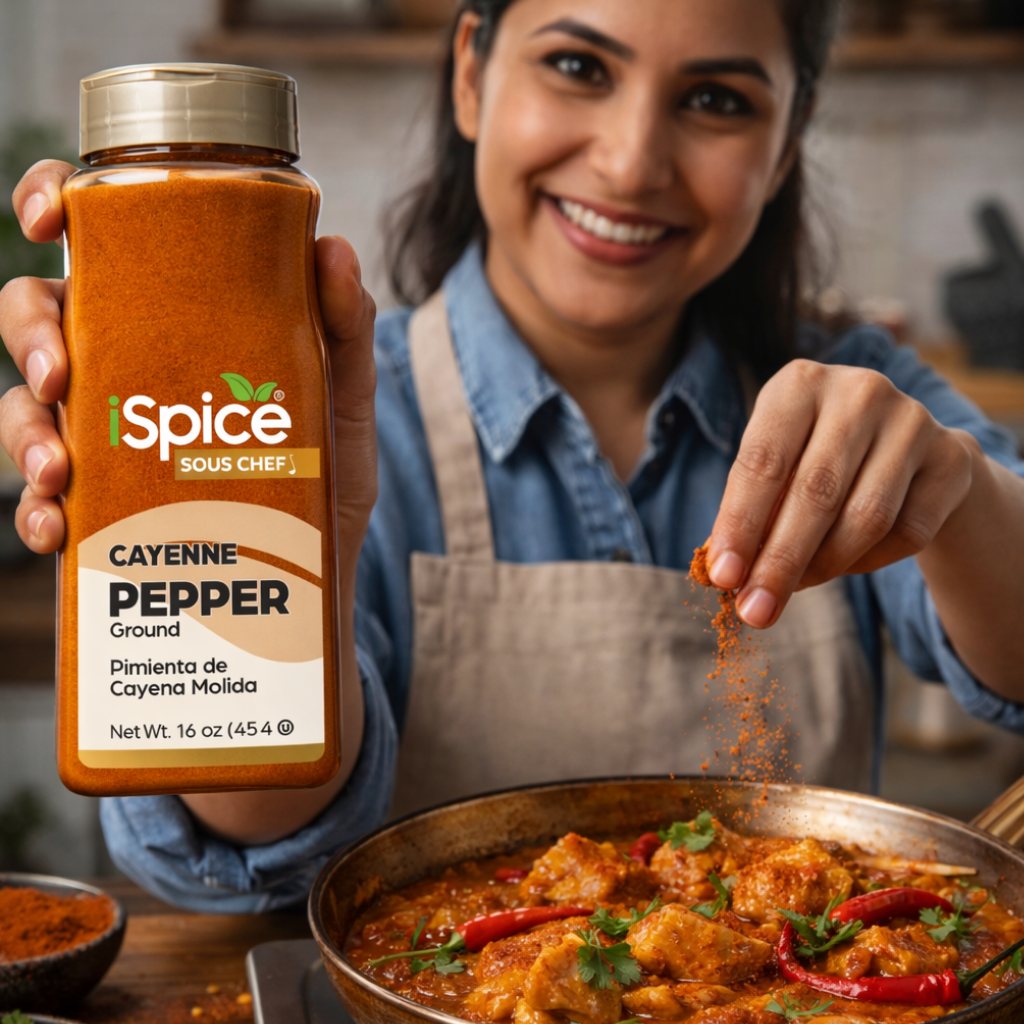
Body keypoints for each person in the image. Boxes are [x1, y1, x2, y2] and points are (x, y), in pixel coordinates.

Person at [2, 0, 1024, 912]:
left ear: (789, 142)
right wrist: (173, 467)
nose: (629, 162)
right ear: (469, 75)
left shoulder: (857, 389)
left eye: (714, 98)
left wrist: (961, 493)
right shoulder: (322, 416)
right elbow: (255, 835)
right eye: (579, 66)